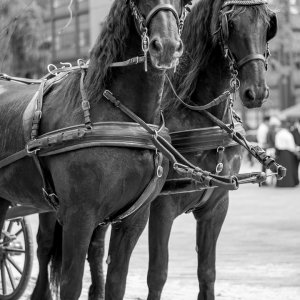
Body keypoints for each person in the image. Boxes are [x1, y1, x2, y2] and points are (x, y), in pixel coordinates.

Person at [275, 119, 299, 187]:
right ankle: (288, 183)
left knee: (281, 168)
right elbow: (291, 146)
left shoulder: (278, 134)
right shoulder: (288, 134)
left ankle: (281, 184)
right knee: (288, 168)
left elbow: (277, 145)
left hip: (281, 153)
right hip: (288, 153)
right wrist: (296, 153)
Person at [256, 115, 270, 185]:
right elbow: (263, 139)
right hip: (263, 147)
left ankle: (262, 180)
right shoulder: (263, 128)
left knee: (264, 165)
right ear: (266, 121)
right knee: (264, 165)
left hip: (261, 147)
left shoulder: (262, 127)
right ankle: (263, 181)